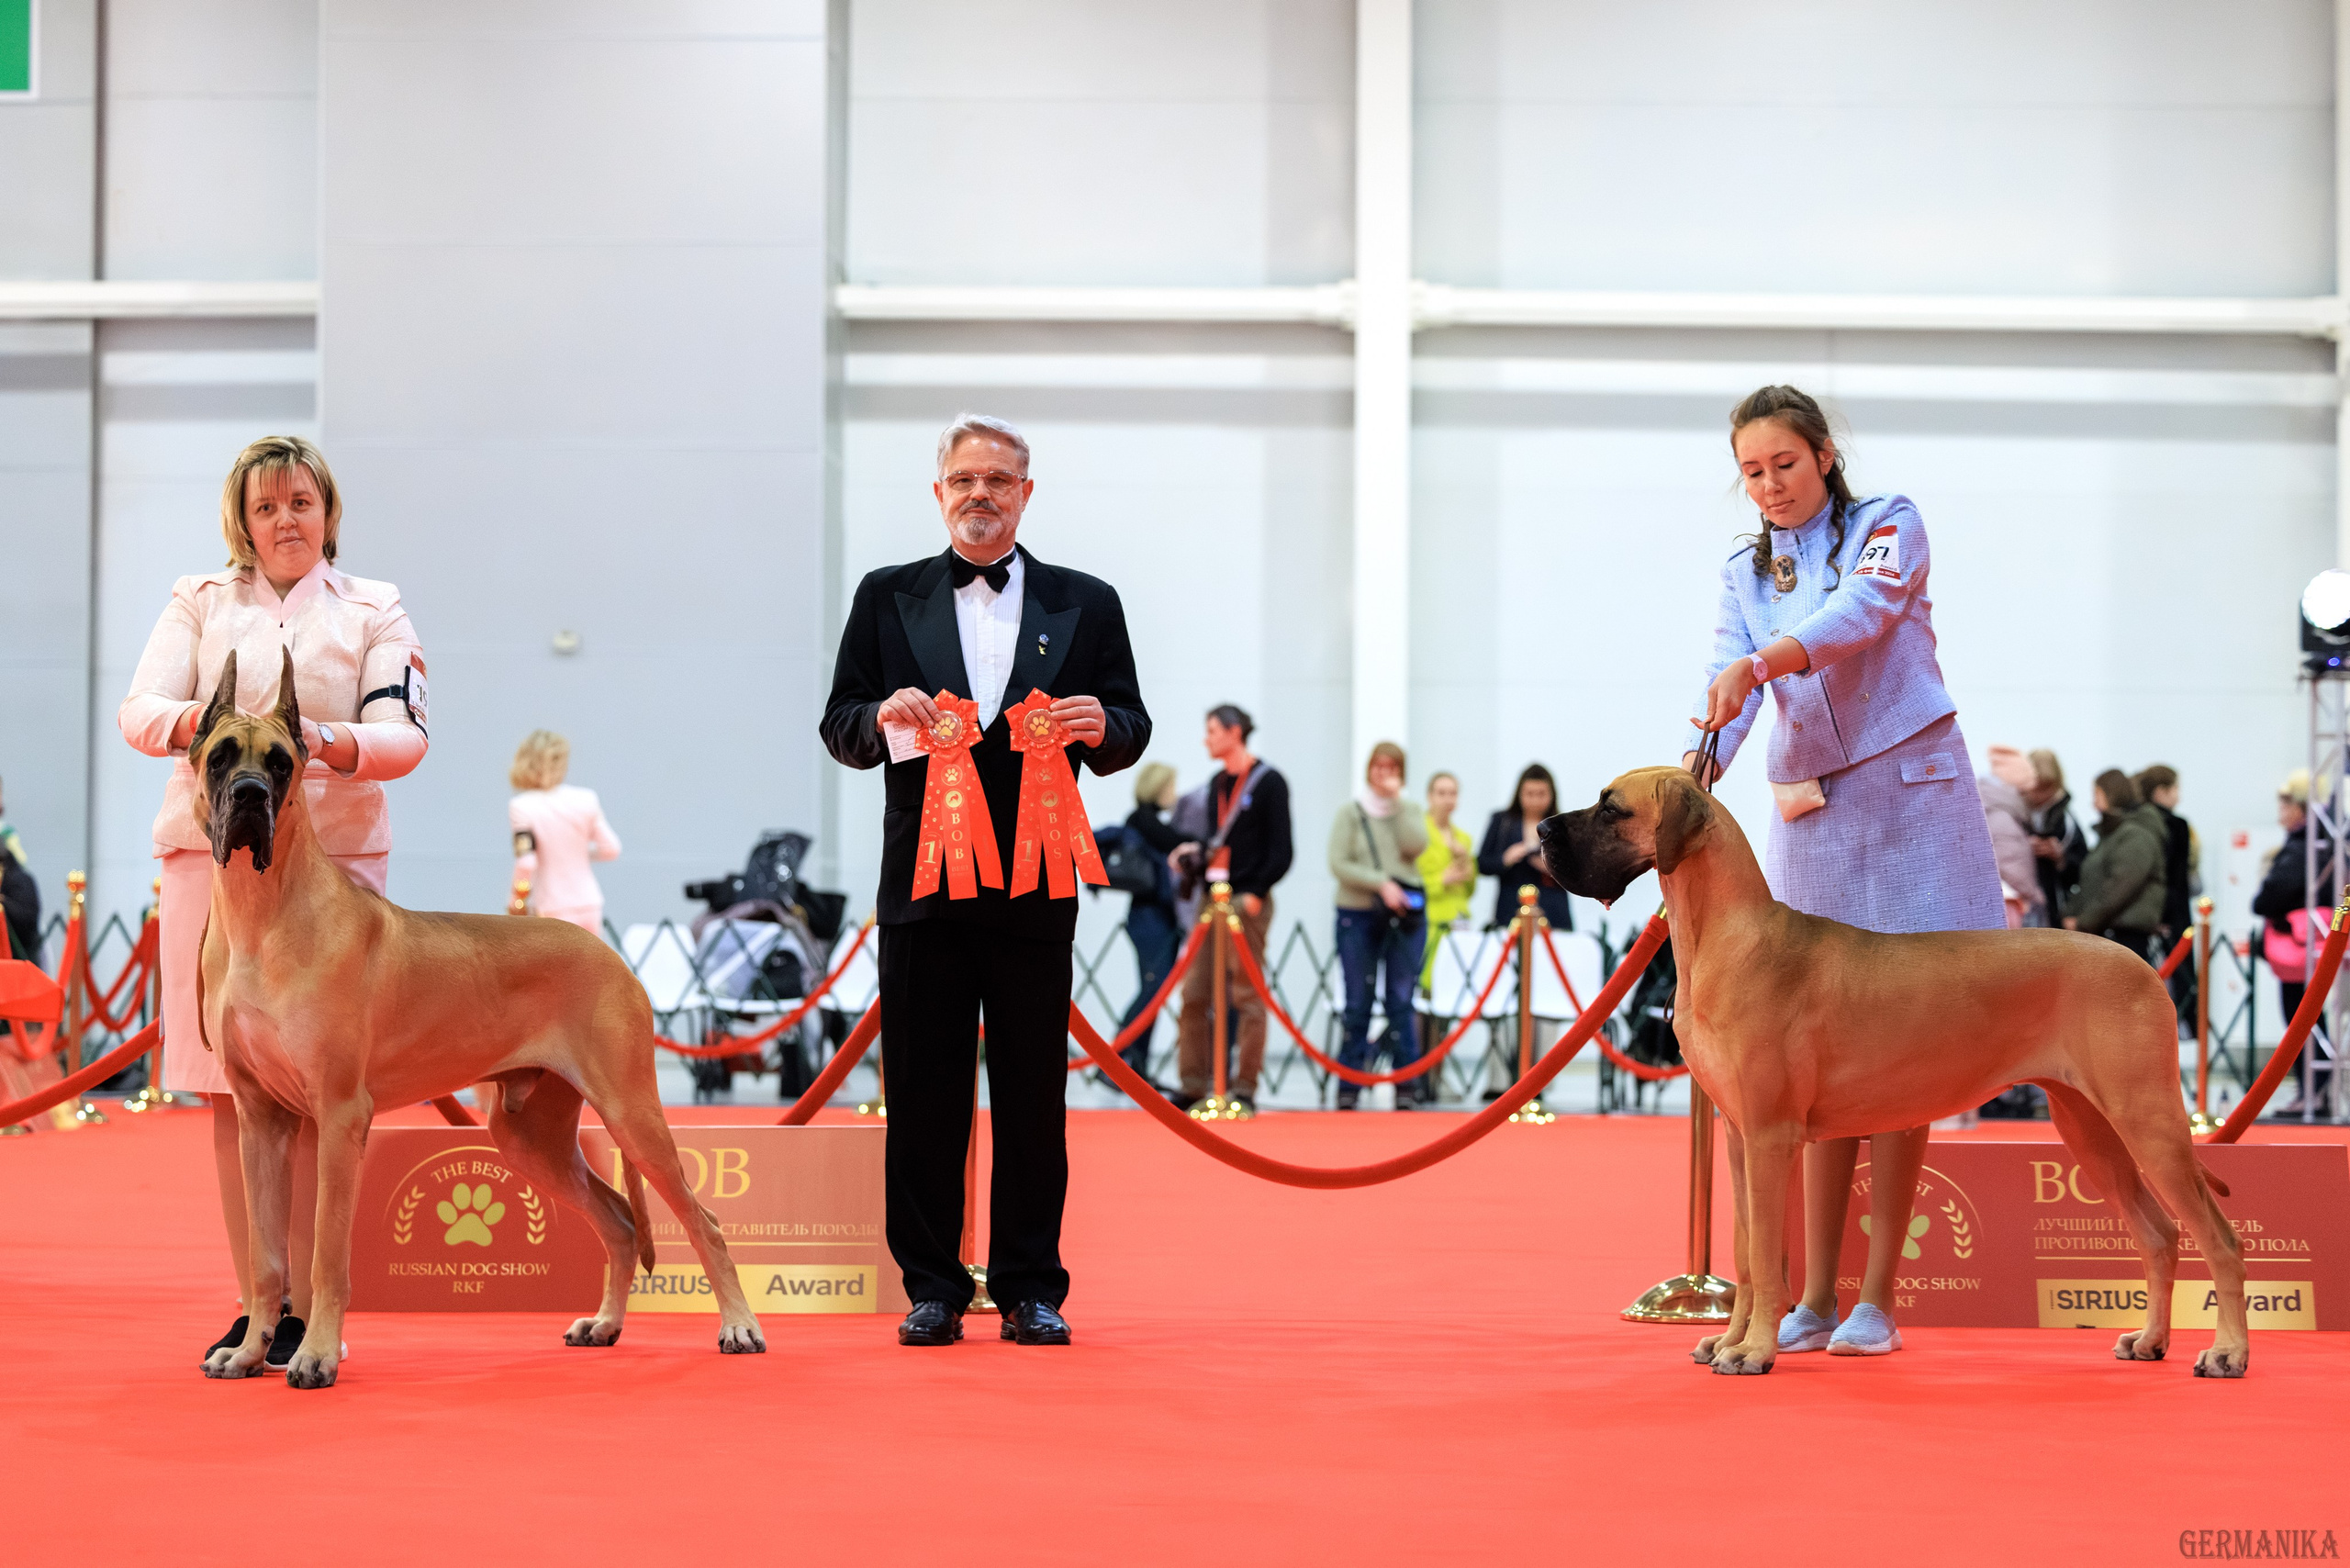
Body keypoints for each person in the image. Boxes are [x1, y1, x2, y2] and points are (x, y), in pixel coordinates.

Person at [1686, 384, 2005, 1360]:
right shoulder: (1745, 570)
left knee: (1904, 1041)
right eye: (1750, 471)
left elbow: (1861, 615)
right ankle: (1810, 1295)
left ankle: (1877, 1299)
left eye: (1784, 462)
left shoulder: (1886, 523)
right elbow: (1725, 690)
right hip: (1813, 813)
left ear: (1823, 454)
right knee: (1804, 1055)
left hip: (1913, 803)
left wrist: (1764, 662)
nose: (1769, 484)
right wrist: (1691, 780)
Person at [819, 412, 1148, 1349]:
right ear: (938, 491)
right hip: (921, 887)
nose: (979, 494)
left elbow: (1132, 720)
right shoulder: (887, 597)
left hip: (1036, 884)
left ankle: (1030, 1287)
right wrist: (884, 712)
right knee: (923, 1092)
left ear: (1025, 493)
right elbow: (839, 722)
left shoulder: (1087, 601)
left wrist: (1103, 726)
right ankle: (930, 1283)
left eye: (998, 480)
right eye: (963, 479)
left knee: (1034, 1096)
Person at [118, 434, 429, 1368]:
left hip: (333, 871)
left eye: (301, 501)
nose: (284, 520)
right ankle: (260, 1299)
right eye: (265, 508)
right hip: (206, 864)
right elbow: (140, 711)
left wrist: (315, 740)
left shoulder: (376, 608)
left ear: (327, 511)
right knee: (233, 1091)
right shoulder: (198, 600)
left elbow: (405, 734)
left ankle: (308, 1306)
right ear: (240, 523)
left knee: (320, 1093)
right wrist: (216, 730)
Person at [1170, 704, 1292, 1114]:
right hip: (1213, 897)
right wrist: (1195, 854)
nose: (1207, 739)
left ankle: (1244, 1087)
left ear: (1234, 732)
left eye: (1212, 731)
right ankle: (1193, 1083)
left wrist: (1256, 892)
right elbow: (1216, 839)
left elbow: (1282, 850)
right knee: (1195, 992)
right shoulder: (1217, 783)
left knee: (1247, 994)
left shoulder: (1270, 782)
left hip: (1246, 899)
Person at [1328, 742, 1430, 1110]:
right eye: (1378, 766)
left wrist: (1397, 803)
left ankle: (1406, 1085)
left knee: (1400, 1000)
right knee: (1358, 1001)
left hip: (1404, 918)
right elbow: (1338, 862)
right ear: (1368, 769)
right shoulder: (1349, 813)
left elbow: (1415, 845)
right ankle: (1350, 1084)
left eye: (1392, 767)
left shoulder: (1412, 809)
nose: (1383, 773)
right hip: (1357, 913)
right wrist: (1380, 883)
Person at [507, 729, 621, 935]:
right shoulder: (587, 798)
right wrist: (577, 853)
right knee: (591, 966)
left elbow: (526, 862)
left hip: (551, 905)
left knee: (553, 967)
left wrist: (517, 902)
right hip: (589, 903)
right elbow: (611, 849)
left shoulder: (522, 806)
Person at [1115, 760, 1184, 1080]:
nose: (1175, 793)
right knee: (1152, 989)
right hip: (1150, 918)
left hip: (1156, 917)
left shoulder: (1149, 820)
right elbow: (1179, 840)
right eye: (1170, 787)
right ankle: (1116, 1059)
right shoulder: (1144, 820)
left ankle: (1137, 1066)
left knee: (1154, 991)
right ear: (1158, 789)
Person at [2063, 770, 2167, 959]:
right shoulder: (2113, 835)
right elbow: (2092, 884)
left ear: (2111, 794)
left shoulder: (2135, 835)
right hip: (2108, 934)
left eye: (2097, 794)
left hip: (2125, 939)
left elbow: (2121, 887)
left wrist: (2083, 922)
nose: (2093, 803)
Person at [1477, 764, 1572, 931]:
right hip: (1511, 911)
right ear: (1519, 794)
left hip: (1553, 911)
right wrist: (1505, 858)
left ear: (1552, 795)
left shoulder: (1562, 825)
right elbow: (1482, 864)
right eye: (1529, 794)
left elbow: (1577, 872)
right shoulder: (1502, 821)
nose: (1535, 800)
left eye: (1541, 794)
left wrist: (1551, 867)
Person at [1416, 770, 1477, 991]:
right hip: (1430, 921)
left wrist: (1466, 863)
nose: (1447, 799)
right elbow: (1409, 881)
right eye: (1441, 793)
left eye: (1452, 793)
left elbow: (1469, 889)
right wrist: (1441, 879)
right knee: (1425, 989)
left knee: (1454, 990)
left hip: (1459, 922)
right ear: (1430, 796)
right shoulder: (1418, 834)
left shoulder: (1463, 838)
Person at [1981, 745, 2045, 929]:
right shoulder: (2002, 818)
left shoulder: (1996, 812)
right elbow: (2008, 862)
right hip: (2013, 905)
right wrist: (2033, 893)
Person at [2020, 748, 2087, 924]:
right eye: (2035, 786)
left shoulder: (2067, 822)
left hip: (2052, 908)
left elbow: (2083, 869)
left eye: (2046, 788)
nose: (2039, 795)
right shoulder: (2013, 812)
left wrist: (2061, 858)